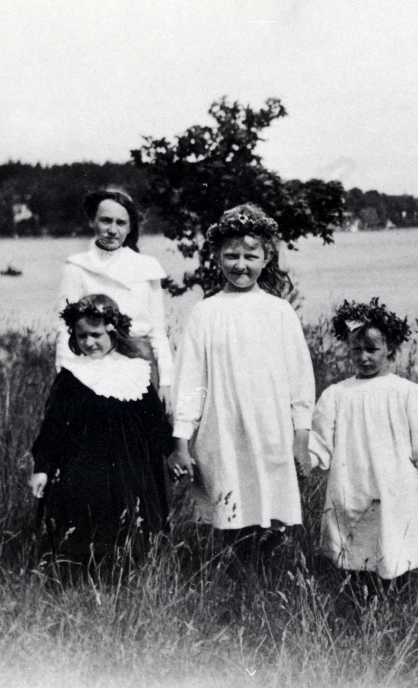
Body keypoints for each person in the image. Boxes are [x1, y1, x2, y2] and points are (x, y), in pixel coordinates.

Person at [168, 204, 315, 566]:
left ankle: (263, 572)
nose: (240, 265)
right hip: (222, 429)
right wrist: (181, 440)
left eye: (251, 255)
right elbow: (190, 380)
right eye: (231, 255)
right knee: (227, 509)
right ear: (217, 256)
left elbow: (299, 379)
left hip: (269, 428)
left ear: (266, 258)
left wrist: (300, 436)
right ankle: (232, 573)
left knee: (270, 510)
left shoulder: (279, 312)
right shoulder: (205, 312)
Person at [30, 294, 173, 575]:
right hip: (84, 469)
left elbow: (154, 422)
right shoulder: (73, 375)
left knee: (132, 523)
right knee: (86, 523)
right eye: (81, 335)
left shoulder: (136, 371)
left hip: (132, 470)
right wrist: (43, 469)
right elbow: (52, 428)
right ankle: (82, 574)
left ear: (113, 331)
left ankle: (131, 573)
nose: (88, 342)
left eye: (95, 334)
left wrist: (173, 452)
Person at [310, 298, 418, 597]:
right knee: (353, 540)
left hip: (395, 484)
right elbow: (320, 439)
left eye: (372, 350)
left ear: (390, 350)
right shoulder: (337, 395)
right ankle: (357, 599)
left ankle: (399, 597)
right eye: (357, 350)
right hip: (351, 483)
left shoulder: (407, 393)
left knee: (394, 540)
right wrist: (310, 458)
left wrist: (415, 470)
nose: (364, 357)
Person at [57, 189, 174, 399]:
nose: (112, 230)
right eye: (105, 221)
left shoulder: (147, 266)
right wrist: (64, 376)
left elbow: (158, 331)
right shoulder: (77, 266)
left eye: (120, 223)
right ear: (92, 222)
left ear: (130, 227)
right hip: (94, 368)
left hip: (141, 364)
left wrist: (166, 381)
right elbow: (65, 330)